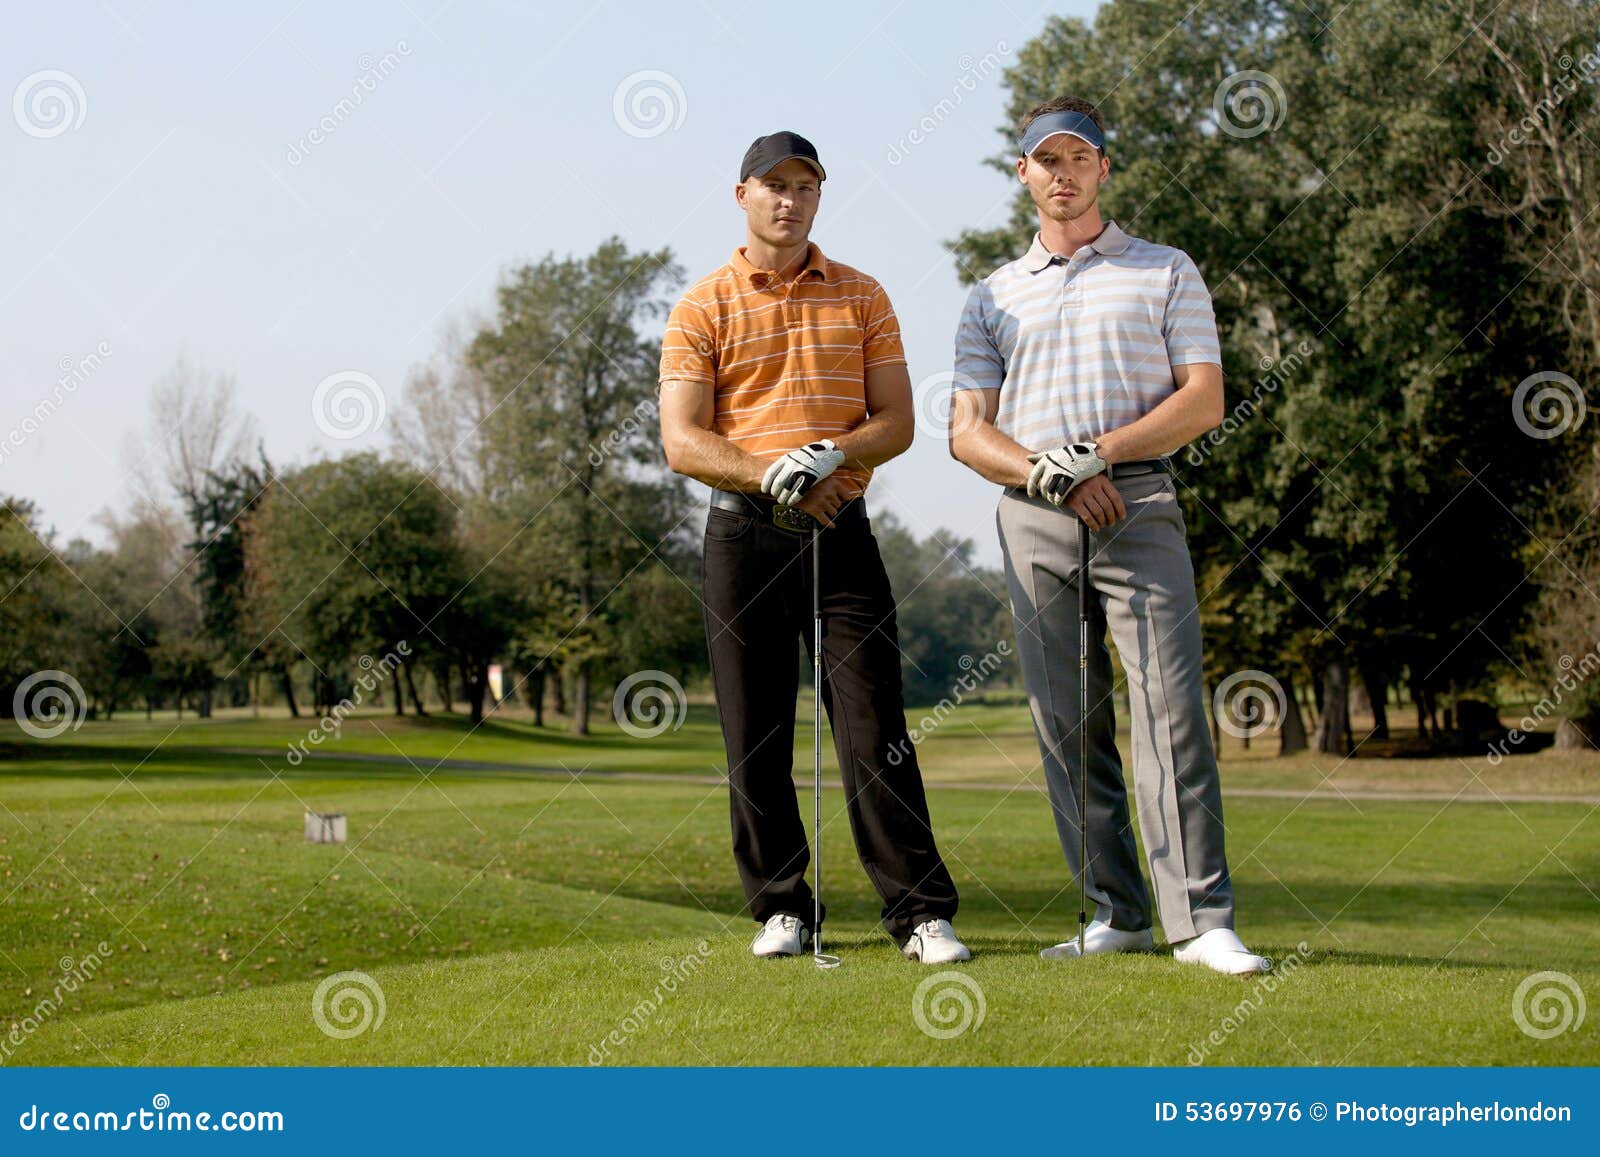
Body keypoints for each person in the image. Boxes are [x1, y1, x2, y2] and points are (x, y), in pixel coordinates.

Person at [948, 97, 1270, 975]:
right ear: (1024, 175)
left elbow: (1201, 398)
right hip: (1034, 511)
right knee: (1066, 723)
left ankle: (1201, 921)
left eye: (1078, 158)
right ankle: (1115, 911)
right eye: (1046, 160)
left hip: (1138, 503)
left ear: (1103, 168)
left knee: (1171, 713)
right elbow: (966, 428)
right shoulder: (991, 295)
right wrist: (1047, 470)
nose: (1063, 172)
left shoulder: (1165, 270)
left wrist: (1098, 455)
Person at [658, 131, 969, 964]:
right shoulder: (702, 305)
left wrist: (832, 455)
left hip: (841, 530)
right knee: (752, 731)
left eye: (805, 186)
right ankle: (782, 907)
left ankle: (920, 911)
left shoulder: (863, 295)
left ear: (819, 197)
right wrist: (772, 471)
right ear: (742, 195)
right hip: (743, 533)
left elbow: (897, 421)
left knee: (874, 726)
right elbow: (683, 442)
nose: (789, 201)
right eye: (774, 186)